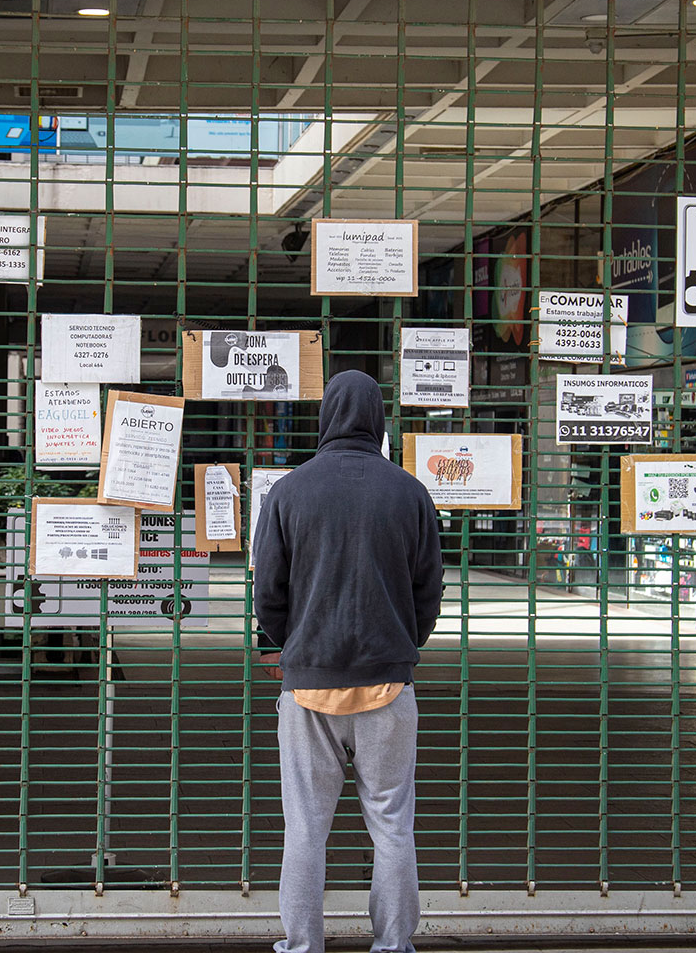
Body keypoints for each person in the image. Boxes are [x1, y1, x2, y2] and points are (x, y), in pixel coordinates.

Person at [252, 369, 444, 953]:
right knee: (391, 824)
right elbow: (428, 590)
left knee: (305, 827)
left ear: (326, 416)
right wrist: (401, 642)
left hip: (308, 688)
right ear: (379, 417)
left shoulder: (289, 491)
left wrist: (292, 646)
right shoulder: (410, 492)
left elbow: (268, 590)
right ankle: (392, 946)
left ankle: (302, 946)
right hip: (388, 683)